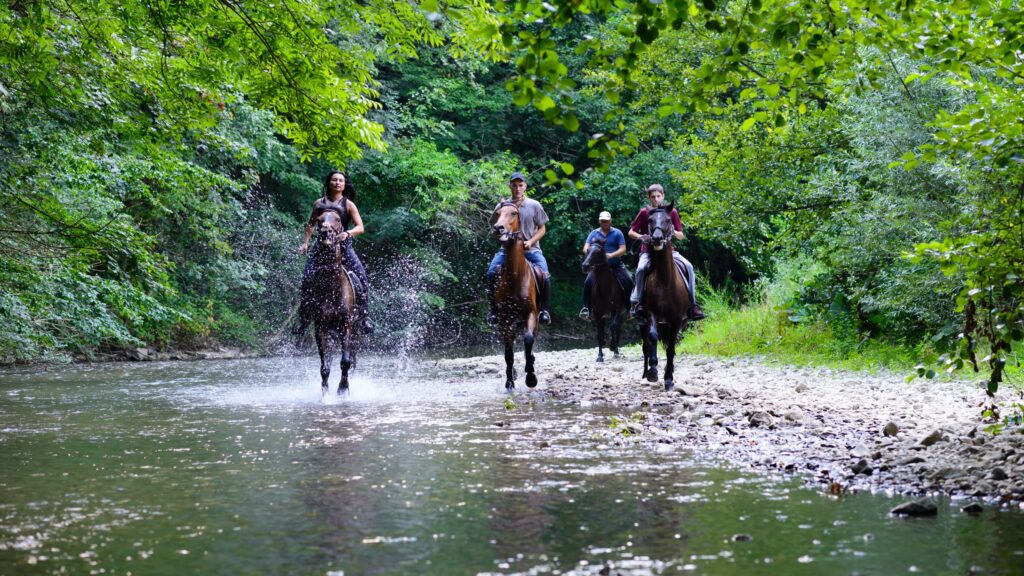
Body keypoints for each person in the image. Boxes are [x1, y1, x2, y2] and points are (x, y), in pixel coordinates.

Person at [295, 171, 373, 335]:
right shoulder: (319, 203)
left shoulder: (348, 205)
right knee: (307, 278)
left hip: (344, 248)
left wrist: (349, 233)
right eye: (334, 180)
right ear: (329, 183)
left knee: (362, 277)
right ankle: (303, 319)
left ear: (344, 185)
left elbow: (361, 227)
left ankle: (365, 316)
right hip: (321, 249)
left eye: (340, 181)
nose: (337, 183)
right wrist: (305, 243)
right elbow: (310, 225)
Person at [627, 184, 704, 320]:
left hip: (669, 252)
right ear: (649, 198)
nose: (656, 199)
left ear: (663, 196)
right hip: (648, 251)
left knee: (689, 267)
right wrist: (641, 237)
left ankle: (693, 304)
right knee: (640, 269)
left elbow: (681, 235)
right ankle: (638, 303)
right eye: (653, 197)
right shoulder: (645, 212)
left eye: (658, 196)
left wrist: (673, 231)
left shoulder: (671, 212)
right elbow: (631, 232)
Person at [486, 171, 552, 324]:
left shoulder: (534, 205)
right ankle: (493, 310)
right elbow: (494, 230)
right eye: (514, 185)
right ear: (510, 186)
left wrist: (530, 242)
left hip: (531, 249)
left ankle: (544, 311)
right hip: (507, 251)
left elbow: (542, 229)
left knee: (545, 275)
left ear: (525, 187)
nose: (517, 188)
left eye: (520, 185)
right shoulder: (501, 207)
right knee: (490, 273)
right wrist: (498, 235)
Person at [579, 211, 633, 321]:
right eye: (603, 221)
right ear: (599, 221)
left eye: (607, 221)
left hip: (615, 264)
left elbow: (623, 249)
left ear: (610, 221)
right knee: (588, 282)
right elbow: (585, 247)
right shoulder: (594, 233)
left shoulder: (617, 233)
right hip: (598, 267)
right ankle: (586, 308)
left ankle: (629, 308)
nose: (605, 223)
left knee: (628, 280)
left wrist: (611, 255)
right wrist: (590, 252)